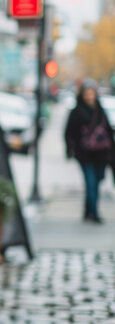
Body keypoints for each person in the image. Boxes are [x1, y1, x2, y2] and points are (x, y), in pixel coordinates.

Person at [64, 80, 114, 224]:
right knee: (90, 182)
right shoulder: (77, 111)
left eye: (92, 93)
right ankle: (94, 213)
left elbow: (108, 131)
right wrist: (70, 150)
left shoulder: (100, 110)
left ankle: (87, 211)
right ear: (82, 95)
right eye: (87, 93)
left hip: (101, 154)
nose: (90, 96)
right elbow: (69, 132)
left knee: (96, 182)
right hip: (84, 154)